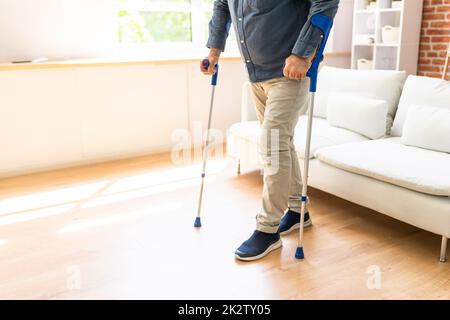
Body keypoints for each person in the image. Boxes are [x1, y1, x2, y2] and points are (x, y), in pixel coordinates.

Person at [201, 0, 339, 261]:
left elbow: (326, 3)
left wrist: (302, 54)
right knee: (281, 143)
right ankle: (299, 212)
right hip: (256, 75)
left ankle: (267, 229)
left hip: (291, 73)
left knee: (272, 147)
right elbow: (222, 6)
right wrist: (214, 51)